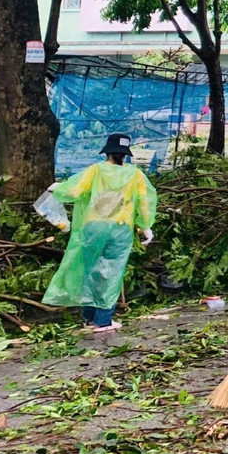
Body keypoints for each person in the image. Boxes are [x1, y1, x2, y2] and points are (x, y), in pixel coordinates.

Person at [40, 133, 157, 334]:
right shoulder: (136, 175)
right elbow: (145, 203)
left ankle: (88, 319)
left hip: (92, 228)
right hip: (120, 230)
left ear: (108, 152)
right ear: (125, 154)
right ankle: (103, 321)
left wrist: (59, 188)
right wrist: (145, 226)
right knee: (111, 274)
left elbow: (75, 192)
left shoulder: (95, 170)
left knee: (89, 270)